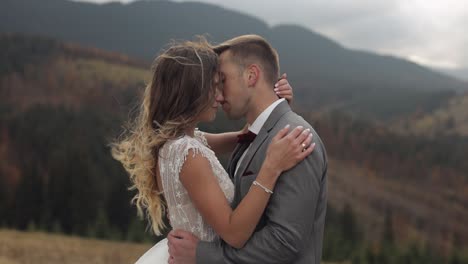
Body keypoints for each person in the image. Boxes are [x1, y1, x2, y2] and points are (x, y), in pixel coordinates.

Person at [111, 38, 314, 264]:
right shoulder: (189, 155)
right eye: (215, 86)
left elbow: (245, 136)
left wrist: (274, 103)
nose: (220, 96)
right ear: (192, 91)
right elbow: (234, 233)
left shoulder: (180, 142)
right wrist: (271, 168)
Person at [168, 35, 328, 264]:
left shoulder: (294, 138)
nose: (219, 95)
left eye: (223, 80)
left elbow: (285, 241)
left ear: (251, 76)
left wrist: (203, 255)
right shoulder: (252, 135)